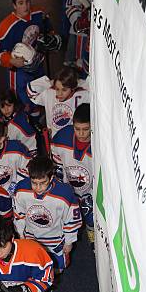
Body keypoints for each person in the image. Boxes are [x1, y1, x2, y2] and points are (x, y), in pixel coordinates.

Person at [13, 156, 82, 271]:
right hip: (31, 237)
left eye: (42, 183)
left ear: (51, 178)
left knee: (57, 268)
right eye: (34, 183)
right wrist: (20, 234)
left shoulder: (65, 193)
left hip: (56, 241)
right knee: (35, 265)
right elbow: (19, 214)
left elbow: (71, 220)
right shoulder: (21, 189)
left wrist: (69, 241)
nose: (38, 188)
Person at [0, 0, 53, 111]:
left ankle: (38, 120)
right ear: (14, 5)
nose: (25, 6)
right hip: (18, 72)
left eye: (27, 1)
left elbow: (48, 32)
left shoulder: (38, 13)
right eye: (21, 3)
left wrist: (50, 40)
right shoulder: (5, 26)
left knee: (40, 94)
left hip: (37, 64)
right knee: (21, 103)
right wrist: (11, 60)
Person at [51, 103, 93, 244]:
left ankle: (94, 244)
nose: (81, 133)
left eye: (86, 129)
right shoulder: (61, 137)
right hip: (69, 188)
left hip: (90, 191)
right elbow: (57, 167)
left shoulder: (100, 143)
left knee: (92, 220)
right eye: (77, 129)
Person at [26, 66, 89, 139]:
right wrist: (50, 82)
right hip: (54, 141)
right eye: (57, 89)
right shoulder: (49, 93)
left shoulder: (81, 95)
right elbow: (31, 91)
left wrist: (78, 82)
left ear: (72, 88)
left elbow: (96, 89)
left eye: (64, 90)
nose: (59, 93)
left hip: (73, 141)